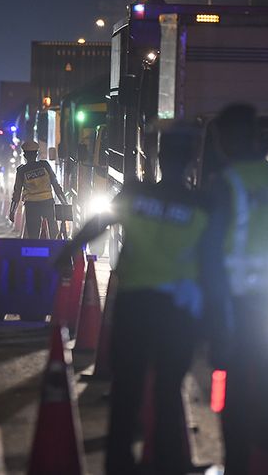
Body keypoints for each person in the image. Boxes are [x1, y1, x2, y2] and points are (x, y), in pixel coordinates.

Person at [56, 123, 230, 475]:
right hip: (177, 313)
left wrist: (69, 250)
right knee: (168, 391)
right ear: (192, 162)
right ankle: (169, 465)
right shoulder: (202, 206)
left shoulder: (135, 195)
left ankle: (118, 465)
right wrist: (217, 321)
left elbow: (98, 223)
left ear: (160, 157)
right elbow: (213, 266)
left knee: (127, 391)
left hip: (134, 307)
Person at [212, 104, 268, 475]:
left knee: (233, 402)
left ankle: (237, 467)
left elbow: (212, 252)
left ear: (228, 139)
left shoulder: (227, 183)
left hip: (237, 308)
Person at [8, 140, 68, 238]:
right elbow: (56, 185)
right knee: (53, 232)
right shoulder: (45, 165)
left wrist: (12, 211)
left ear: (25, 155)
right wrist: (64, 202)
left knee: (33, 235)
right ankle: (55, 250)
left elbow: (17, 193)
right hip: (48, 203)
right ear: (36, 154)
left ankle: (35, 251)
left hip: (31, 206)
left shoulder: (22, 171)